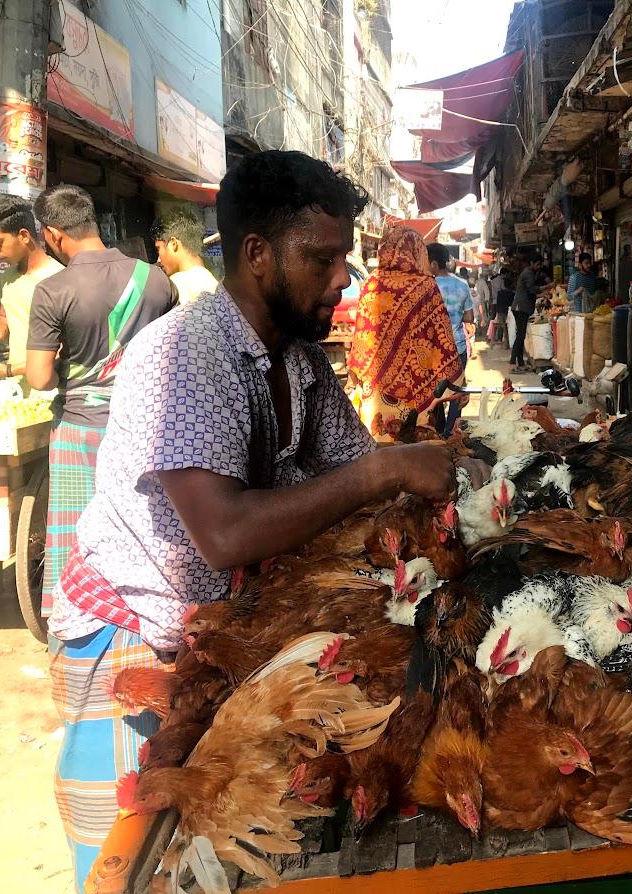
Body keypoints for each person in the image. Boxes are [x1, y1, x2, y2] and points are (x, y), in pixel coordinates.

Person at [46, 152, 458, 891]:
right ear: (257, 254)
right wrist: (386, 470)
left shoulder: (297, 362)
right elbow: (227, 531)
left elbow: (354, 473)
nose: (342, 278)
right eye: (321, 259)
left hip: (223, 637)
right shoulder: (190, 353)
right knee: (140, 859)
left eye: (343, 258)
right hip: (134, 637)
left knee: (223, 850)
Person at [26, 184, 177, 622]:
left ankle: (78, 623)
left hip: (82, 428)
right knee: (149, 530)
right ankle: (151, 618)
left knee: (77, 534)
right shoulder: (155, 279)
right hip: (148, 430)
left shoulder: (53, 290)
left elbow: (38, 377)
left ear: (53, 234)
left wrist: (64, 368)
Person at [347, 226, 462, 441]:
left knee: (378, 449)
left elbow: (361, 338)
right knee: (415, 459)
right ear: (417, 252)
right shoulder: (426, 285)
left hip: (375, 390)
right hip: (417, 389)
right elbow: (442, 340)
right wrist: (456, 384)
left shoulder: (371, 283)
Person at [0, 195, 64, 389]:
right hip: (18, 391)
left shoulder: (60, 280)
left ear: (24, 236)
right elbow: (6, 315)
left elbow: (64, 352)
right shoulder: (8, 276)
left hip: (50, 393)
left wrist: (5, 370)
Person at [427, 243, 474, 435]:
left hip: (434, 349)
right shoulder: (462, 285)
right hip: (458, 347)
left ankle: (438, 431)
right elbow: (469, 318)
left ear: (434, 264)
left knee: (434, 390)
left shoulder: (428, 285)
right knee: (456, 390)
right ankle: (451, 432)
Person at [153, 207, 219, 304]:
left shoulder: (175, 286)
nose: (158, 259)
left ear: (173, 243)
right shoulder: (214, 284)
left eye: (158, 249)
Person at [510, 253, 546, 371]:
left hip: (520, 307)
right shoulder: (529, 274)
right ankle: (513, 361)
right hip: (521, 308)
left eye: (540, 264)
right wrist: (545, 288)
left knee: (520, 334)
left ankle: (519, 361)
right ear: (532, 263)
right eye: (538, 264)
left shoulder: (528, 272)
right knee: (520, 335)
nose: (539, 266)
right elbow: (532, 289)